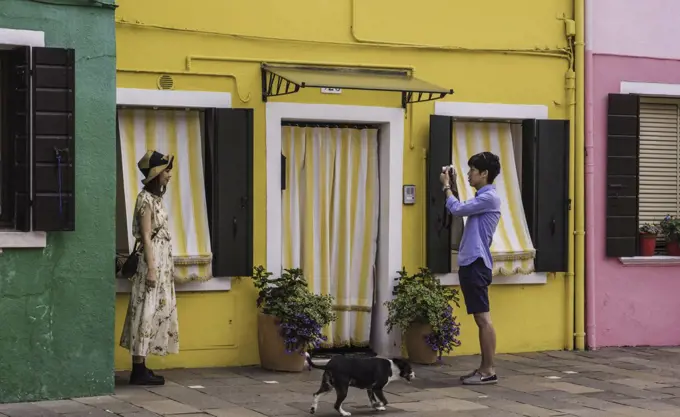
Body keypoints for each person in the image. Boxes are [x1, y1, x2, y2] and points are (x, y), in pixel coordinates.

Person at [440, 151, 501, 385]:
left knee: (483, 319)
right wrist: (453, 186)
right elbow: (462, 207)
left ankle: (488, 371)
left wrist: (446, 187)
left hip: (476, 264)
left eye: (472, 171)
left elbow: (456, 209)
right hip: (472, 263)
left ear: (484, 173)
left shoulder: (489, 198)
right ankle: (485, 369)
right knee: (481, 318)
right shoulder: (481, 199)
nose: (469, 174)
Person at [120, 150, 179, 386]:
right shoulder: (145, 200)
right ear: (156, 174)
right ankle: (138, 369)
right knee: (145, 309)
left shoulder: (156, 200)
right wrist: (153, 269)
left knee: (152, 311)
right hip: (150, 262)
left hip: (160, 261)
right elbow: (145, 235)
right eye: (166, 171)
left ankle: (142, 366)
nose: (169, 176)